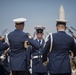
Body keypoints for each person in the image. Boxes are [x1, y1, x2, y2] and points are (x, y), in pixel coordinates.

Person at [43, 5, 76, 75]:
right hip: (66, 69)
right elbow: (75, 52)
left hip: (54, 69)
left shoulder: (51, 36)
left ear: (57, 27)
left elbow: (45, 51)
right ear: (65, 28)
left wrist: (44, 60)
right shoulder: (70, 38)